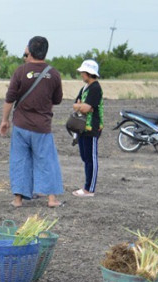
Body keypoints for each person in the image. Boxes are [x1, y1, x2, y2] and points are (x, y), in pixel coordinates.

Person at [0, 36, 64, 208]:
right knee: (47, 161)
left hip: (21, 124)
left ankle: (18, 199)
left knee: (19, 161)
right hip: (42, 126)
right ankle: (51, 199)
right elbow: (57, 99)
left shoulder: (20, 71)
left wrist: (5, 121)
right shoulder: (54, 73)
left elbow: (9, 99)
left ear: (28, 50)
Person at [71, 60, 103, 198]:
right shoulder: (85, 88)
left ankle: (89, 189)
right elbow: (76, 104)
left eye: (82, 72)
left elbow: (86, 108)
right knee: (85, 157)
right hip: (83, 127)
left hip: (92, 128)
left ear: (89, 73)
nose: (81, 74)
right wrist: (80, 106)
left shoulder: (95, 88)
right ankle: (86, 186)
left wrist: (80, 106)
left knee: (91, 158)